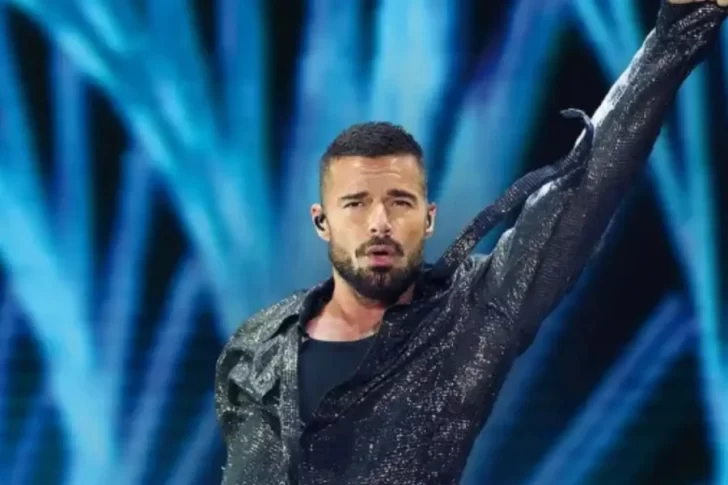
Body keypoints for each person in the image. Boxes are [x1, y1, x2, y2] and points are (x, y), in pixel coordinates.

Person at [215, 2, 727, 484]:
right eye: (356, 204)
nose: (380, 223)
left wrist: (678, 31)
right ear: (322, 221)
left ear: (428, 219)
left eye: (399, 202)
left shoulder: (469, 315)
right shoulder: (256, 344)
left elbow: (580, 197)